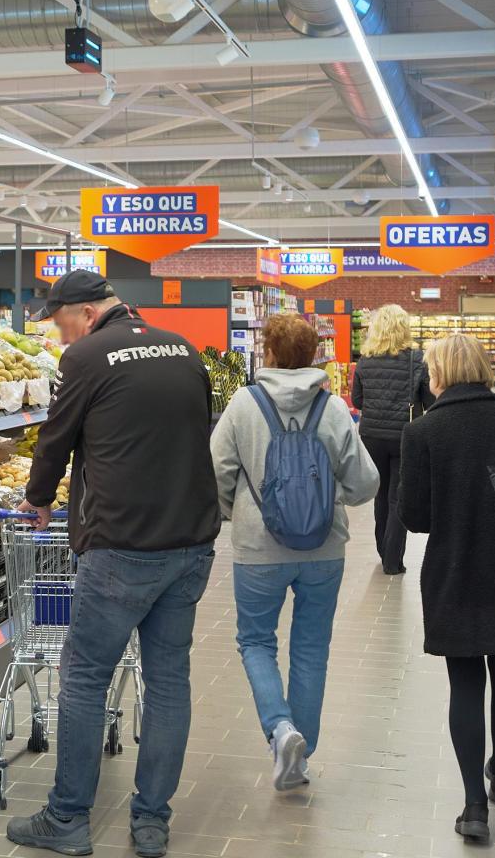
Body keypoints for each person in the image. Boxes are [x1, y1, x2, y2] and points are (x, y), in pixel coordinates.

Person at [7, 269, 219, 858]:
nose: (60, 336)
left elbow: (55, 439)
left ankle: (68, 818)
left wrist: (40, 498)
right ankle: (151, 821)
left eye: (60, 323)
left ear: (85, 312)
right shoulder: (181, 349)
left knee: (84, 675)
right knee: (168, 681)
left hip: (123, 545)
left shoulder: (87, 358)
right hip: (190, 540)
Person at [210, 314, 378, 793]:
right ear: (313, 354)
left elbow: (216, 470)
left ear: (268, 353)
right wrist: (333, 499)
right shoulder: (333, 408)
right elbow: (366, 482)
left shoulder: (243, 404)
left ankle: (280, 728)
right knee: (311, 646)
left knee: (257, 641)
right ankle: (302, 752)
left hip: (257, 550)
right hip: (325, 550)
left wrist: (237, 512)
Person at [398, 334, 495, 843]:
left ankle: (474, 806)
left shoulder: (422, 432)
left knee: (465, 685)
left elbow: (415, 519)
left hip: (455, 572)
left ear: (437, 374)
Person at [351, 304, 433, 574]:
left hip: (372, 435)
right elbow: (429, 398)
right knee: (399, 495)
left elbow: (357, 400)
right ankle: (392, 559)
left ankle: (382, 548)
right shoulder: (416, 358)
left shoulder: (365, 359)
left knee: (380, 495)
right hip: (404, 435)